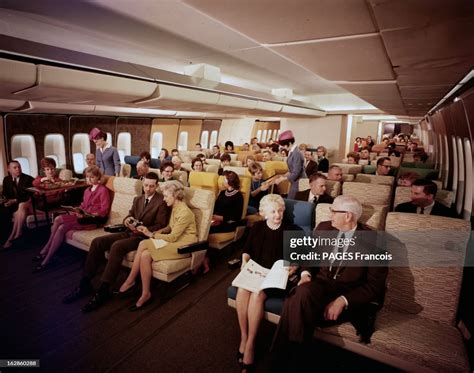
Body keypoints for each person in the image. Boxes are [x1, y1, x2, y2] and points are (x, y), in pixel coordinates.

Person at [272, 196, 388, 368]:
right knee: (302, 292)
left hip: (348, 292)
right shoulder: (324, 228)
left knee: (296, 300)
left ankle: (283, 360)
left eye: (334, 211)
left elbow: (374, 287)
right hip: (319, 285)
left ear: (348, 216)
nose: (330, 214)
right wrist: (305, 275)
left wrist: (342, 301)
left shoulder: (376, 242)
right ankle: (290, 359)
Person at [62, 172, 170, 312]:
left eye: (151, 186)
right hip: (129, 232)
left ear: (156, 186)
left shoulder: (161, 201)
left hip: (143, 237)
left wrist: (143, 229)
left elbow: (161, 225)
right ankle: (85, 284)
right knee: (97, 242)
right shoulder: (138, 199)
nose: (148, 189)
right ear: (142, 183)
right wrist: (127, 221)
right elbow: (130, 215)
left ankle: (103, 290)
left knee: (117, 246)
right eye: (146, 185)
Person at [235, 194, 297, 370]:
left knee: (257, 294)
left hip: (276, 277)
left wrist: (294, 267)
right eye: (273, 211)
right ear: (263, 213)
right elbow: (247, 251)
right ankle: (244, 336)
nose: (277, 214)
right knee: (242, 290)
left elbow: (297, 258)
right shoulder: (257, 227)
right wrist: (245, 262)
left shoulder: (291, 230)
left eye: (280, 210)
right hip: (257, 272)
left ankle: (250, 344)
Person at [118, 181, 198, 311]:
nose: (164, 199)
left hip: (185, 245)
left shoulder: (185, 212)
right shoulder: (176, 207)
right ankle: (146, 293)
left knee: (144, 243)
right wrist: (157, 232)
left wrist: (151, 234)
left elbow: (173, 237)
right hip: (175, 242)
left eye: (166, 196)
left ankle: (130, 280)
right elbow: (170, 227)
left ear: (176, 196)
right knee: (145, 255)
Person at [33, 166, 111, 271]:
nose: (89, 179)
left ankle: (47, 259)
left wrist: (87, 213)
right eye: (87, 177)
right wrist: (77, 210)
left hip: (93, 219)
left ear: (98, 177)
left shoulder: (103, 190)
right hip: (83, 216)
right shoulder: (87, 190)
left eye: (92, 177)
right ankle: (46, 249)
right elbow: (83, 205)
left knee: (62, 228)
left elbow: (104, 210)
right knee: (57, 219)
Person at [6, 157, 60, 248]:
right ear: (44, 171)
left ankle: (14, 237)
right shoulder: (40, 178)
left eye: (52, 169)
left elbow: (58, 197)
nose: (50, 171)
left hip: (45, 207)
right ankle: (14, 236)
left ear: (55, 169)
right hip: (35, 205)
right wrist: (43, 180)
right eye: (47, 169)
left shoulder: (60, 181)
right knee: (19, 209)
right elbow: (34, 183)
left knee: (21, 207)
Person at [1, 160, 34, 247]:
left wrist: (14, 200)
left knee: (14, 213)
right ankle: (7, 238)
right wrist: (4, 199)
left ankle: (12, 238)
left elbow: (28, 196)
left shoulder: (28, 179)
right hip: (11, 204)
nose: (18, 169)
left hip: (23, 203)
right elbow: (5, 194)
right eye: (15, 168)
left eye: (19, 167)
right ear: (9, 169)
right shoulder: (6, 180)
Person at [274, 130, 305, 199]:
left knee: (290, 200)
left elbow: (296, 172)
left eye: (284, 145)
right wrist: (282, 176)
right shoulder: (291, 152)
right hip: (295, 181)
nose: (283, 147)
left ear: (290, 143)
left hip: (300, 182)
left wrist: (282, 179)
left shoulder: (296, 153)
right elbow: (291, 170)